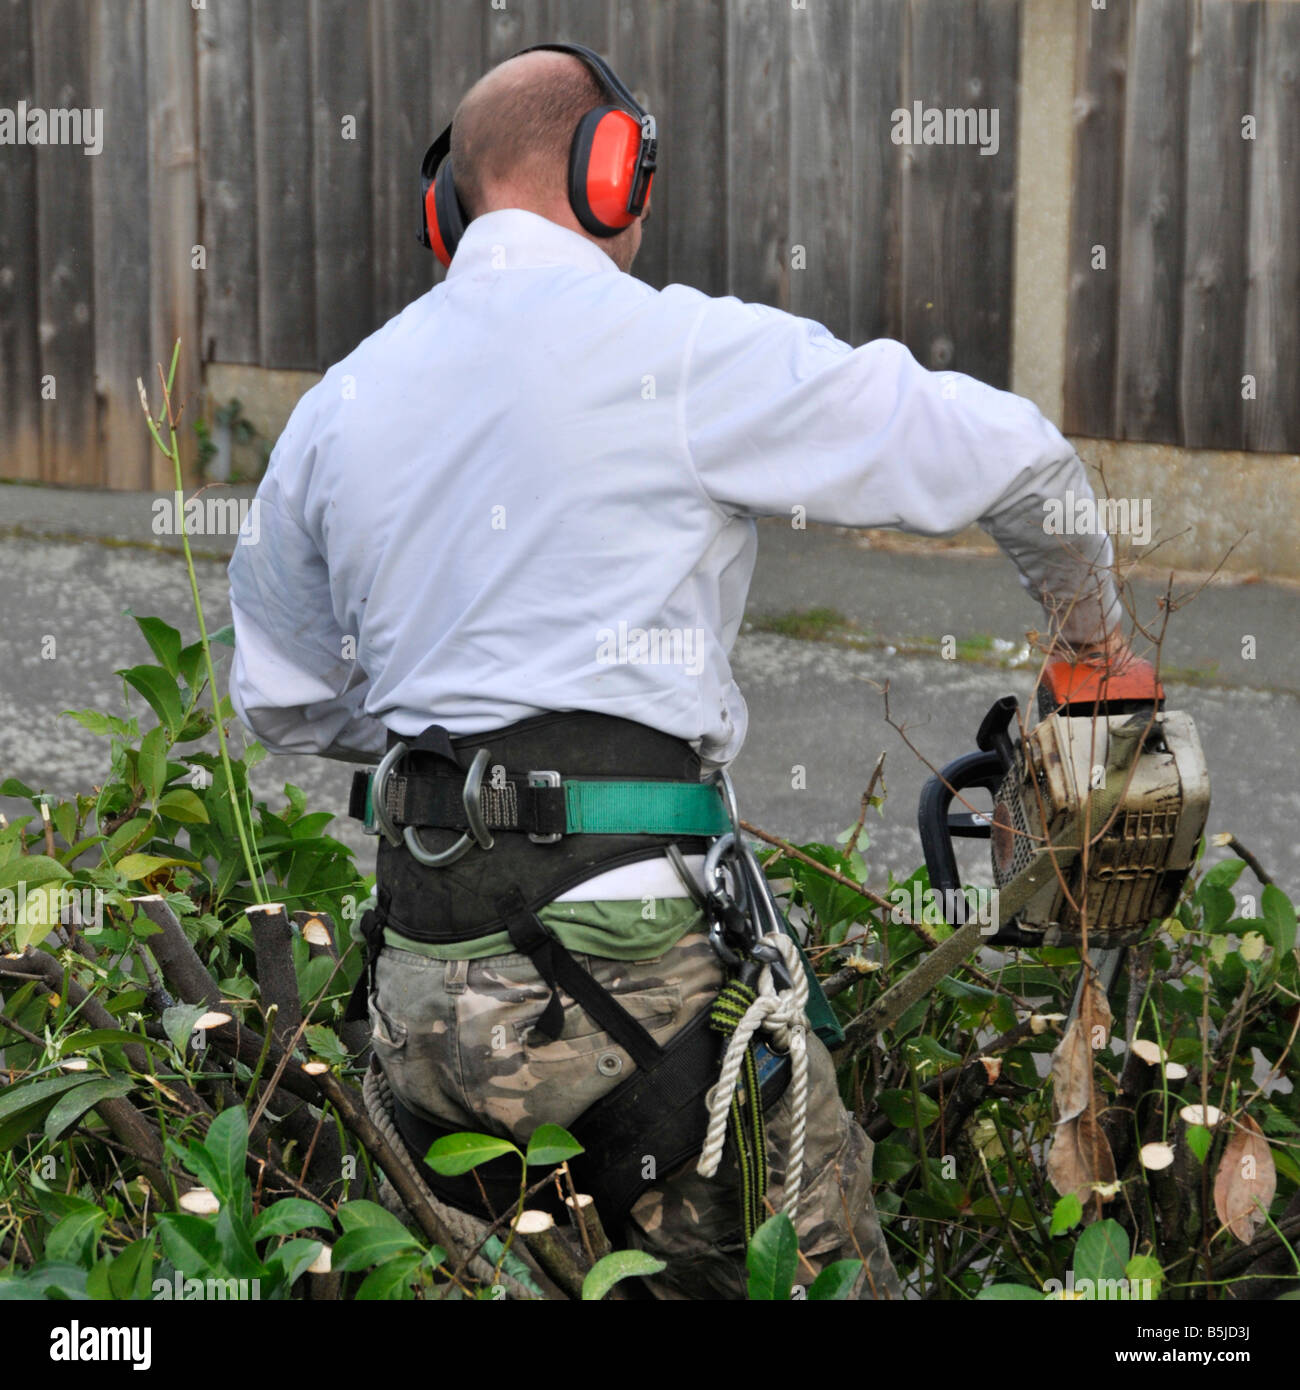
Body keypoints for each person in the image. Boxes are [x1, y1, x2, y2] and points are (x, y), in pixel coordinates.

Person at [227, 42, 1124, 1300]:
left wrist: (466, 741)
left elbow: (282, 696)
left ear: (450, 210)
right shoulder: (686, 355)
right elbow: (1018, 458)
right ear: (613, 172)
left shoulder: (338, 403)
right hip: (630, 978)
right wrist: (1095, 657)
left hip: (421, 987)